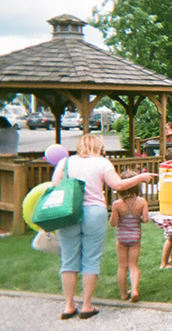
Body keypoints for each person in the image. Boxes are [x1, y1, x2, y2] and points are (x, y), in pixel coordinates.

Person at [51, 134, 154, 320]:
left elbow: (54, 185)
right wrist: (140, 178)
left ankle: (68, 305)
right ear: (98, 147)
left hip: (68, 213)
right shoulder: (102, 163)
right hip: (94, 212)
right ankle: (87, 305)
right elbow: (118, 184)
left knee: (68, 260)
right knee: (90, 259)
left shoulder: (65, 162)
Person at [110, 169, 149, 302]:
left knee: (122, 266)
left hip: (121, 238)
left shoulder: (117, 204)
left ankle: (123, 294)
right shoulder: (142, 202)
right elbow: (145, 219)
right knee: (133, 265)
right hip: (135, 237)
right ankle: (134, 290)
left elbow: (113, 223)